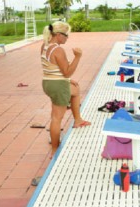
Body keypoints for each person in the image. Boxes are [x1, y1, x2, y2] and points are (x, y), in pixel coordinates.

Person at [41, 21, 90, 157]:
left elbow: (53, 68)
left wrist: (67, 80)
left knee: (75, 90)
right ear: (58, 35)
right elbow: (67, 71)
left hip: (48, 82)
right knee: (56, 118)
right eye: (66, 35)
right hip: (57, 85)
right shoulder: (58, 49)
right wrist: (77, 57)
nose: (67, 38)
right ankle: (55, 149)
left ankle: (78, 120)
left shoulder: (45, 46)